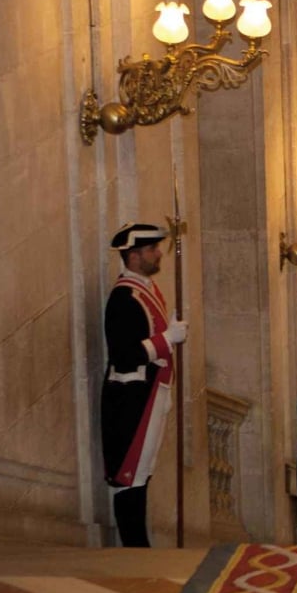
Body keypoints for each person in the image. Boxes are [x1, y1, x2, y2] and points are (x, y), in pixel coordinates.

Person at [100, 223, 187, 548]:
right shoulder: (124, 297)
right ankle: (134, 547)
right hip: (132, 398)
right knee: (130, 475)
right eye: (152, 249)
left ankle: (138, 544)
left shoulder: (146, 291)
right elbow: (124, 355)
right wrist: (166, 340)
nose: (158, 253)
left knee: (143, 472)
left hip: (151, 395)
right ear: (133, 256)